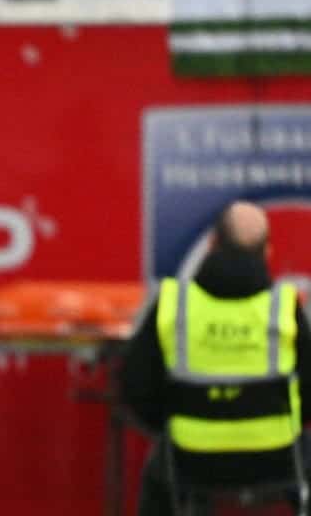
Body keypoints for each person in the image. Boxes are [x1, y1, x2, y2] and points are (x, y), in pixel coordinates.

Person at [121, 201, 311, 515]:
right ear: (267, 252)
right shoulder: (284, 308)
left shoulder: (173, 304)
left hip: (189, 460)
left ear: (212, 244)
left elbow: (136, 386)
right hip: (276, 459)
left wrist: (167, 424)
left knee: (159, 470)